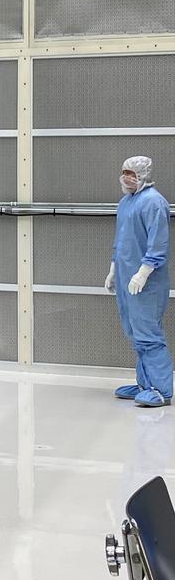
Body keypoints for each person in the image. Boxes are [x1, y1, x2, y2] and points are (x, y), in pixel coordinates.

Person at [107, 156, 173, 408]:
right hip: (126, 277)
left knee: (149, 334)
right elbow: (122, 241)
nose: (126, 178)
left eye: (131, 173)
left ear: (143, 174)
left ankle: (161, 390)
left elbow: (158, 242)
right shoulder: (126, 202)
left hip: (147, 282)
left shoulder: (154, 202)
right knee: (135, 333)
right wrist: (114, 269)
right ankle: (145, 383)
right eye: (124, 173)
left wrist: (144, 271)